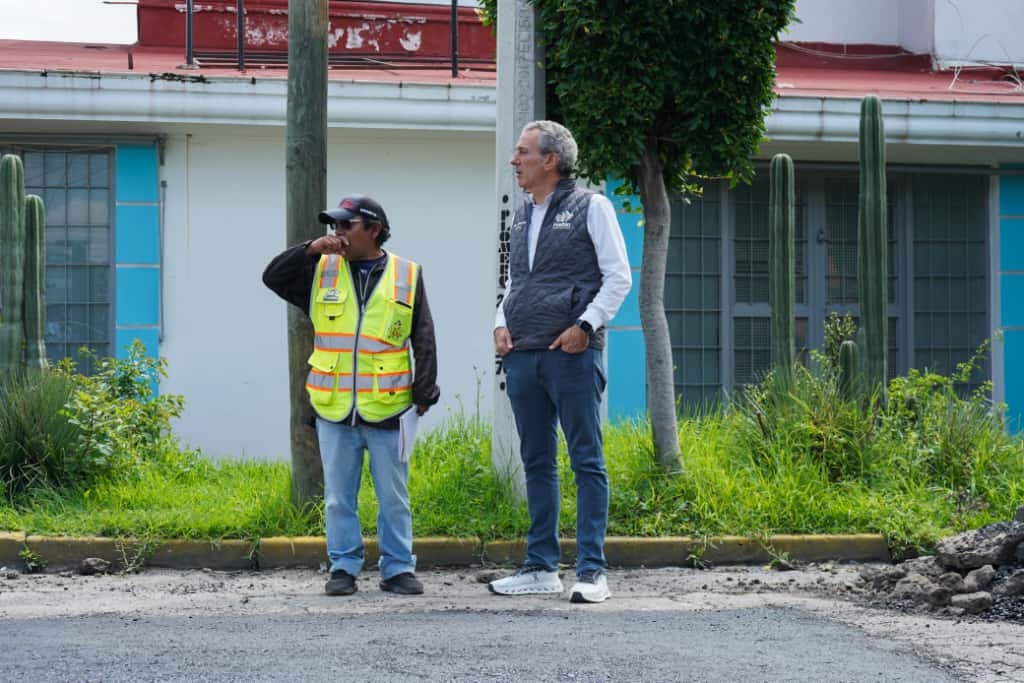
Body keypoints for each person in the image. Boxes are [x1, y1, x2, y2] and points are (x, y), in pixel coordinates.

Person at [262, 195, 440, 597]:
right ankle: (343, 567)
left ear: (374, 229)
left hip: (388, 406)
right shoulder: (320, 271)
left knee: (393, 496)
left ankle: (398, 568)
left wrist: (425, 390)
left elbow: (423, 334)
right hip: (334, 407)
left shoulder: (406, 274)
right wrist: (310, 249)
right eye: (334, 226)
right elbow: (272, 276)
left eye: (346, 225)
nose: (337, 233)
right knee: (339, 497)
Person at [488, 121, 632, 603]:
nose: (515, 161)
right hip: (523, 354)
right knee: (536, 460)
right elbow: (515, 282)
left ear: (550, 160)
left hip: (571, 355)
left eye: (522, 152)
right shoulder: (523, 216)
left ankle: (592, 571)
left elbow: (618, 277)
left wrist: (585, 327)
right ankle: (541, 567)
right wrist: (499, 321)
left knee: (586, 460)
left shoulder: (593, 206)